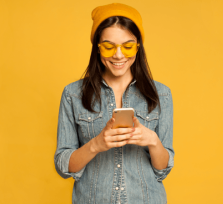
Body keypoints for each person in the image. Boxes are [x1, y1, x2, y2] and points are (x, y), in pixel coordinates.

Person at [54, 3, 174, 204]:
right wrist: (96, 144)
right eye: (109, 46)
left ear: (138, 46)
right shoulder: (72, 94)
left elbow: (162, 170)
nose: (118, 55)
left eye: (127, 46)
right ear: (97, 47)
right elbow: (63, 166)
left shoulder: (161, 94)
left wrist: (152, 140)